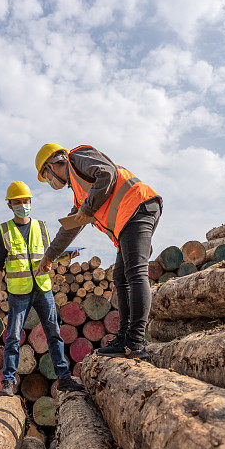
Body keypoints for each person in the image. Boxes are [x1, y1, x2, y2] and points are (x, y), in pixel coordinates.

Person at [35, 144, 162, 360]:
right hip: (127, 219)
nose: (49, 181)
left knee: (135, 273)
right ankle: (124, 338)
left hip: (138, 207)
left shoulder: (77, 158)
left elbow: (106, 173)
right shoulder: (78, 192)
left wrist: (87, 208)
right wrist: (49, 256)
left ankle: (137, 342)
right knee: (120, 278)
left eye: (46, 175)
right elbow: (69, 229)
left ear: (52, 165)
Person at [0, 181, 84, 396]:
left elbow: (50, 254)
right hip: (18, 292)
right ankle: (8, 382)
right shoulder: (3, 230)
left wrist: (69, 254)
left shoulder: (40, 227)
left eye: (26, 201)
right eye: (18, 202)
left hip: (42, 288)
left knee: (54, 333)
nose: (23, 205)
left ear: (30, 202)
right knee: (13, 337)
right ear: (10, 205)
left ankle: (63, 378)